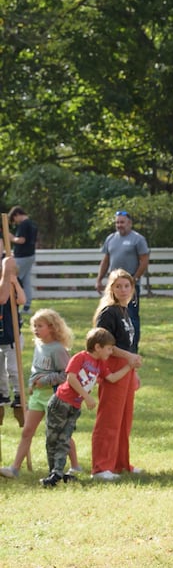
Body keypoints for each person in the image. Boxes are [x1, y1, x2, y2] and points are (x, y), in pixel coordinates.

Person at [44, 327, 130, 487]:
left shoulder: (100, 364)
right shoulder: (81, 358)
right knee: (52, 439)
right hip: (60, 403)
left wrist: (129, 367)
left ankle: (57, 472)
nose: (111, 352)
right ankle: (53, 472)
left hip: (74, 407)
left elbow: (111, 378)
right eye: (109, 348)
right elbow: (71, 378)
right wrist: (87, 396)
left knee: (64, 439)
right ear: (98, 347)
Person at [3, 309, 80, 480]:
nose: (36, 329)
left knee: (60, 433)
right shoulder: (39, 345)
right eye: (34, 326)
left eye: (40, 326)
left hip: (54, 397)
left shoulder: (58, 349)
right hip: (37, 397)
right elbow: (35, 370)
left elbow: (66, 374)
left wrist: (44, 380)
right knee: (27, 431)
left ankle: (75, 466)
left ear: (52, 327)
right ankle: (14, 468)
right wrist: (32, 384)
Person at [91, 269, 145, 478]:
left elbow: (126, 343)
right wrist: (129, 358)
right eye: (118, 286)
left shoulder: (125, 310)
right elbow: (104, 344)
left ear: (132, 288)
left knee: (124, 419)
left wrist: (132, 367)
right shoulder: (109, 312)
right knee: (109, 419)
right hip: (112, 366)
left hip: (126, 368)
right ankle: (101, 467)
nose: (123, 290)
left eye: (127, 286)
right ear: (111, 288)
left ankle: (120, 464)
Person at [97, 210, 149, 330]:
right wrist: (99, 279)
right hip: (114, 284)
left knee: (131, 315)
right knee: (111, 313)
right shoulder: (110, 239)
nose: (119, 225)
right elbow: (105, 260)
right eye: (117, 222)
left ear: (129, 223)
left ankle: (132, 347)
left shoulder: (137, 239)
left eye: (122, 222)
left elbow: (144, 261)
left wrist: (134, 279)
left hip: (129, 284)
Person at [0, 254, 25, 407]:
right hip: (1, 338)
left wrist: (15, 283)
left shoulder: (14, 284)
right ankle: (3, 393)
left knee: (12, 369)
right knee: (0, 371)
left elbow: (22, 300)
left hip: (12, 337)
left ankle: (18, 393)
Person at [8, 206, 37, 308]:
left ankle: (15, 303)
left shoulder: (24, 225)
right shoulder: (32, 223)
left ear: (17, 215)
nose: (15, 222)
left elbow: (21, 240)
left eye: (14, 219)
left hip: (23, 256)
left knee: (14, 279)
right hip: (30, 255)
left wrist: (11, 238)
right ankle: (27, 305)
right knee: (26, 281)